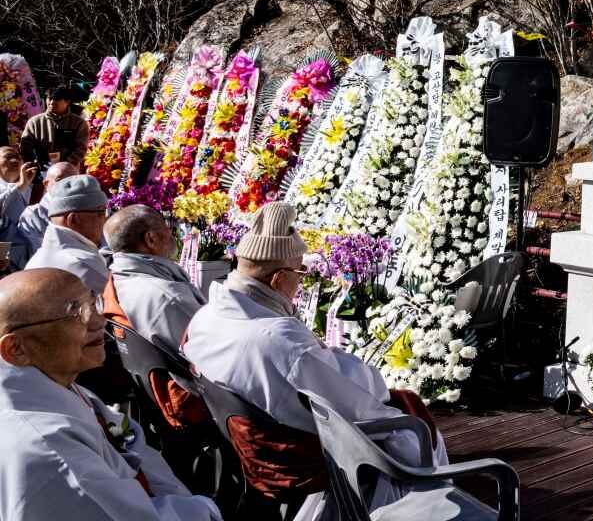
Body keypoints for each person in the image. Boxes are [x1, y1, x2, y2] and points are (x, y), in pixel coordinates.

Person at [184, 201, 461, 519]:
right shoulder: (279, 339)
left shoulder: (204, 317)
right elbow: (360, 403)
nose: (301, 281)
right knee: (407, 415)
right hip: (294, 455)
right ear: (278, 279)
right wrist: (340, 361)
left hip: (250, 441)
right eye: (300, 272)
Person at [0, 268, 221, 520]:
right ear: (15, 348)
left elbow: (130, 446)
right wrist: (204, 508)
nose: (100, 321)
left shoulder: (55, 381)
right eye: (76, 312)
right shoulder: (48, 452)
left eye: (93, 303)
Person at [103, 205, 205, 349]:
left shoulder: (116, 278)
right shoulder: (170, 298)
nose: (172, 232)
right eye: (166, 226)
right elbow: (215, 348)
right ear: (151, 239)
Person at [26, 174, 109, 296]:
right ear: (73, 219)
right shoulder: (82, 264)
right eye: (100, 213)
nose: (105, 219)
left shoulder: (41, 256)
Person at [6, 162, 79, 271]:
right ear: (46, 184)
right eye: (60, 180)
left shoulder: (85, 210)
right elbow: (34, 254)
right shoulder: (33, 214)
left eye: (73, 179)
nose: (68, 184)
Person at [19, 86, 88, 167]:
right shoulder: (34, 122)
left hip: (67, 170)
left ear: (67, 102)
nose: (51, 102)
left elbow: (80, 149)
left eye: (56, 99)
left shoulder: (78, 123)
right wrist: (34, 164)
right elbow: (25, 147)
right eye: (49, 98)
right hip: (39, 170)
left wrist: (64, 166)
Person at [0, 146, 37, 232]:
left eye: (18, 157)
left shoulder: (37, 188)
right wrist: (20, 187)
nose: (15, 160)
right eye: (9, 156)